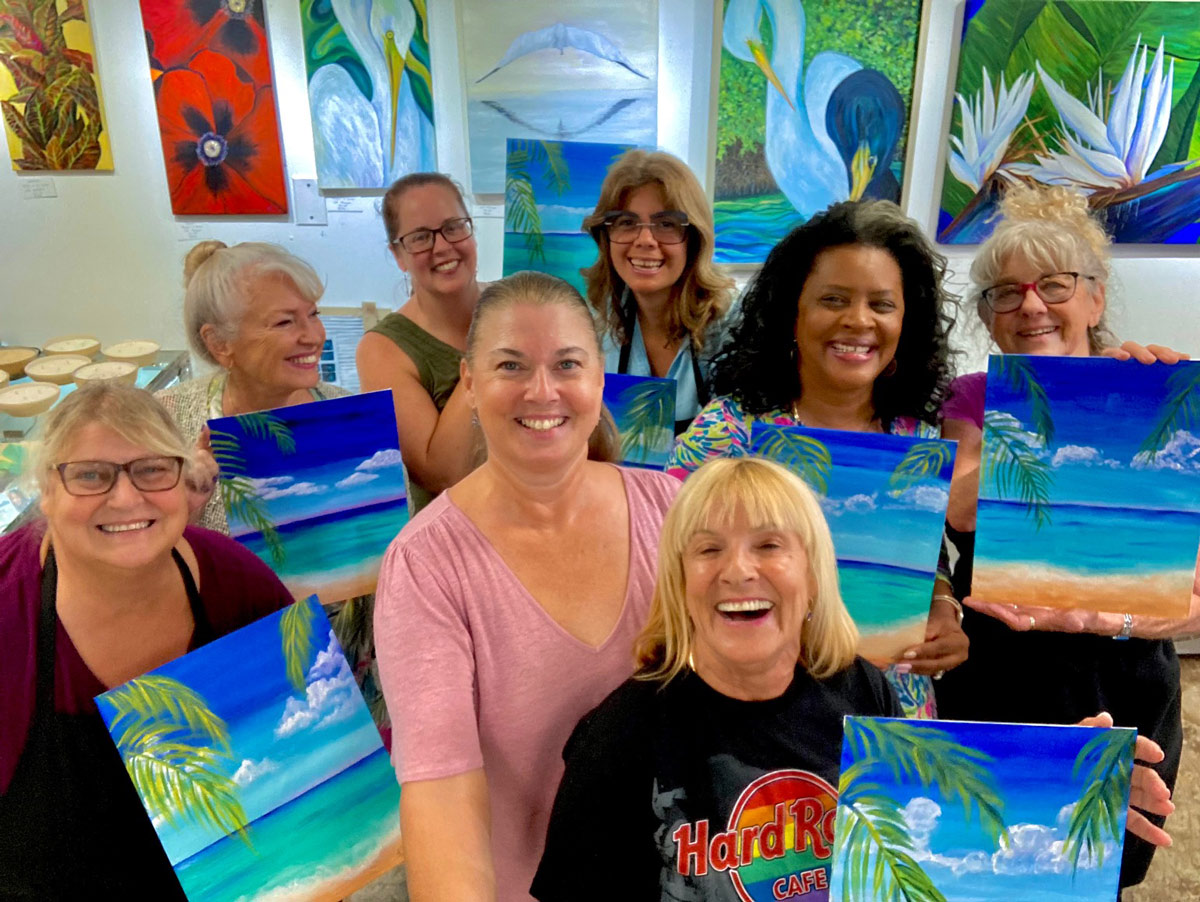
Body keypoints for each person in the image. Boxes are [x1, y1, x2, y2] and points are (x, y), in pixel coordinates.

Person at [531, 457, 1174, 899]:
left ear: (812, 575)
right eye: (707, 549)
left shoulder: (862, 691)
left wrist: (1059, 784)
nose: (738, 570)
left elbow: (930, 852)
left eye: (769, 545)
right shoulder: (620, 735)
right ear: (678, 583)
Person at [373, 271, 680, 902]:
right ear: (470, 382)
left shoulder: (673, 510)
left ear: (599, 378)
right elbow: (440, 789)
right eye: (511, 365)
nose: (542, 391)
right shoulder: (428, 563)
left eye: (567, 363)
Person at [933, 183, 1198, 892]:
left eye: (1054, 284)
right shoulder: (968, 397)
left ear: (1096, 299)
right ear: (987, 317)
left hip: (1129, 660)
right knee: (988, 853)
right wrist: (1061, 414)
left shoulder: (1153, 386)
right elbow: (959, 508)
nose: (1031, 306)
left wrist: (1133, 407)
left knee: (1100, 858)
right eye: (1006, 293)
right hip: (999, 660)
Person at [668, 200, 967, 717]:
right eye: (834, 299)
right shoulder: (731, 430)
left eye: (882, 304)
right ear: (794, 312)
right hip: (757, 712)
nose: (858, 321)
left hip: (892, 715)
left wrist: (944, 606)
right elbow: (667, 556)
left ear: (905, 321)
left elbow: (923, 558)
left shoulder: (915, 434)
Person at [0, 383, 294, 897]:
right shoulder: (10, 611)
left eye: (152, 469)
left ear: (184, 480)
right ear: (46, 492)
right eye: (90, 475)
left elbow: (302, 755)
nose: (126, 497)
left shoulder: (236, 582)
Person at [154, 241, 386, 735]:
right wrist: (183, 506)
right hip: (228, 678)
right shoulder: (167, 424)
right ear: (220, 344)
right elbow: (126, 563)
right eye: (285, 322)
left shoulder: (345, 411)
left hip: (349, 669)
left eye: (314, 314)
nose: (314, 336)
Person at [582, 150, 735, 431]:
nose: (645, 240)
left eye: (666, 224)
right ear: (605, 237)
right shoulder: (591, 327)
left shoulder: (734, 327)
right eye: (626, 222)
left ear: (694, 239)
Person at [357, 173, 483, 514]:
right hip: (459, 538)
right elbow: (437, 473)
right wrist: (488, 346)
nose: (443, 247)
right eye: (421, 237)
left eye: (454, 226)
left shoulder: (515, 299)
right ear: (398, 255)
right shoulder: (383, 348)